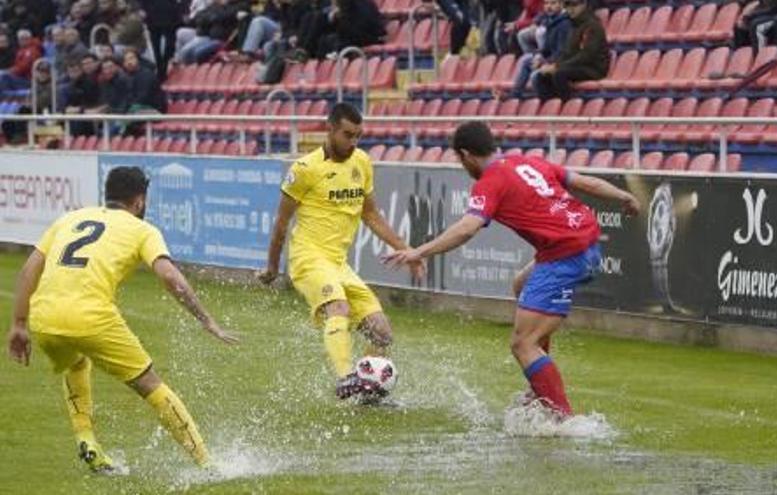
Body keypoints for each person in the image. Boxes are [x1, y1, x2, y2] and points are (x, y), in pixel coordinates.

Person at [384, 121, 640, 420]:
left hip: (566, 254)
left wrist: (418, 251)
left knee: (522, 344)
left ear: (466, 155)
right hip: (586, 243)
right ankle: (538, 387)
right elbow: (583, 181)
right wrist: (623, 196)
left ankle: (562, 419)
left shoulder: (490, 181)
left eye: (460, 159)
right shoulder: (527, 161)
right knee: (521, 284)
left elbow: (467, 229)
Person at [6, 166, 238, 474]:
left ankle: (87, 440)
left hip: (44, 319)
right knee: (150, 384)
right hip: (91, 317)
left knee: (75, 362)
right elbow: (171, 277)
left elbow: (28, 270)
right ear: (140, 201)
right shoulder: (143, 230)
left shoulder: (69, 218)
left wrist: (19, 324)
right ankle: (207, 464)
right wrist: (207, 320)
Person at [258, 103, 423, 400]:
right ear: (330, 129)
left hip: (338, 264)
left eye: (358, 136)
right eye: (348, 135)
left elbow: (371, 215)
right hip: (308, 259)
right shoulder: (304, 169)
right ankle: (345, 378)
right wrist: (272, 267)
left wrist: (407, 250)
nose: (353, 142)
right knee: (339, 309)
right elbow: (281, 224)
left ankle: (368, 396)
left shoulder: (361, 162)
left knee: (381, 332)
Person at [532, 0, 609, 101]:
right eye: (567, 6)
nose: (571, 9)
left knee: (559, 74)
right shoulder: (573, 25)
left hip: (593, 68)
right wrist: (552, 64)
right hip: (577, 65)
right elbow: (566, 52)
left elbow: (586, 55)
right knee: (541, 76)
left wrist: (558, 66)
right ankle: (551, 107)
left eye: (574, 5)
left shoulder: (592, 25)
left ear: (584, 4)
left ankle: (565, 105)